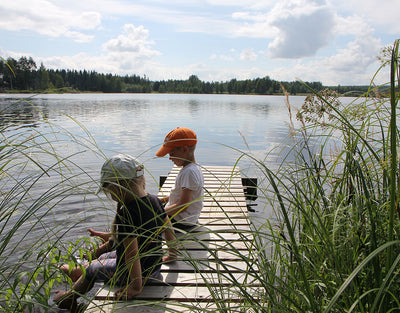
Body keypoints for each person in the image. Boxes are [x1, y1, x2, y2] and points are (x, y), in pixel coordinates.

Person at [54, 154, 177, 310]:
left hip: (136, 276)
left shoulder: (127, 214)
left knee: (92, 270)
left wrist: (135, 287)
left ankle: (69, 297)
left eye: (109, 191)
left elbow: (132, 255)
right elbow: (168, 228)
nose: (110, 195)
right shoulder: (154, 201)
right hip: (154, 268)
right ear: (141, 181)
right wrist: (173, 252)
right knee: (105, 256)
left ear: (117, 187)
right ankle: (79, 275)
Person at [156, 127, 204, 231]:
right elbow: (181, 195)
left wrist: (160, 214)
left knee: (141, 219)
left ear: (185, 150)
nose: (169, 158)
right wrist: (161, 200)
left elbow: (183, 205)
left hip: (180, 221)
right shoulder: (192, 168)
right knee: (150, 202)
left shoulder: (189, 172)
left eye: (172, 154)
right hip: (184, 218)